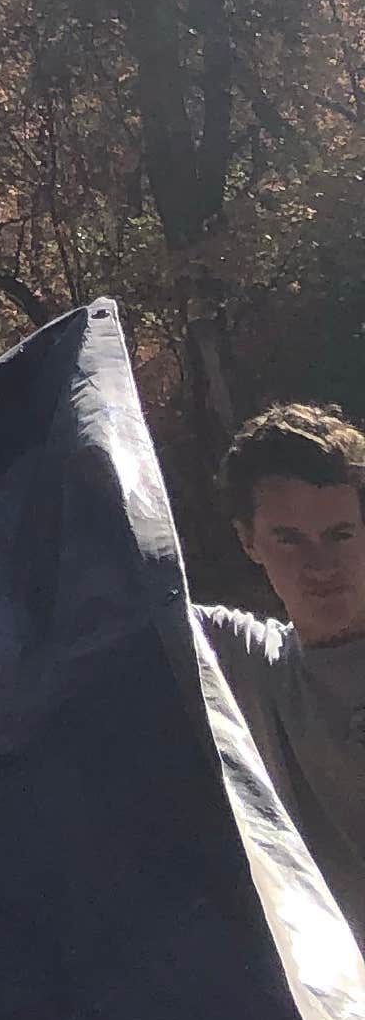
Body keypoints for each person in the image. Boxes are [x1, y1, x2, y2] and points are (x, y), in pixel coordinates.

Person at [199, 400, 365, 938]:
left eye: (340, 534)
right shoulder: (248, 661)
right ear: (248, 541)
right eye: (289, 538)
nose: (320, 565)